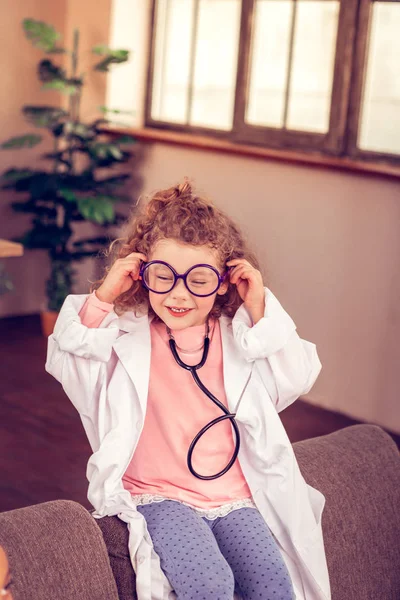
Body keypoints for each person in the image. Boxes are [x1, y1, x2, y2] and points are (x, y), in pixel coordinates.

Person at [45, 180, 331, 600]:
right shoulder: (125, 337)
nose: (178, 294)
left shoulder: (242, 339)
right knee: (208, 583)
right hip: (159, 495)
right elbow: (69, 358)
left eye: (198, 279)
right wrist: (106, 293)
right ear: (141, 274)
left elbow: (296, 375)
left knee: (273, 583)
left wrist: (260, 307)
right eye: (163, 276)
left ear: (222, 282)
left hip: (235, 495)